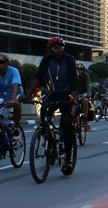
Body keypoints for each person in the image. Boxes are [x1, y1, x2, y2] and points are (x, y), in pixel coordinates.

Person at [28, 37, 78, 174]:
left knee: (66, 125)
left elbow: (73, 79)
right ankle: (47, 138)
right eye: (55, 48)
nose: (58, 51)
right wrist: (28, 95)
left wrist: (74, 96)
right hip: (55, 93)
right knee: (44, 110)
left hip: (68, 94)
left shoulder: (69, 59)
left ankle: (68, 159)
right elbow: (38, 77)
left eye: (60, 48)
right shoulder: (47, 59)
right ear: (50, 49)